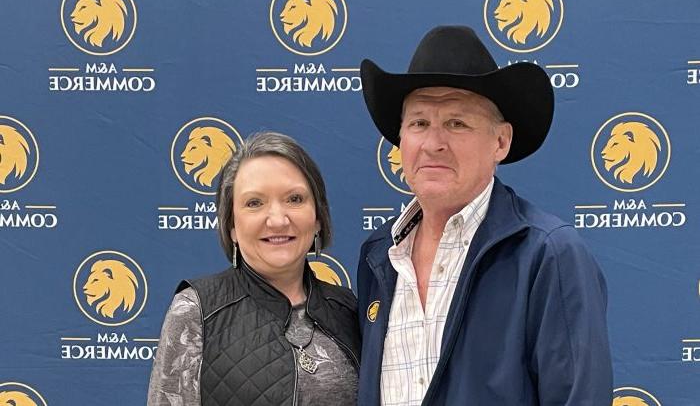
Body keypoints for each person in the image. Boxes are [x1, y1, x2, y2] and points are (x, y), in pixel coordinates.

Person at [356, 26, 612, 405]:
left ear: (500, 141)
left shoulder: (548, 254)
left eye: (456, 123)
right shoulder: (378, 256)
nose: (433, 143)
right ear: (401, 140)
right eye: (419, 123)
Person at [147, 132, 360, 405]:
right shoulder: (195, 310)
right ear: (232, 226)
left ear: (318, 218)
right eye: (254, 203)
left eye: (294, 199)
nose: (277, 219)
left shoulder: (348, 310)